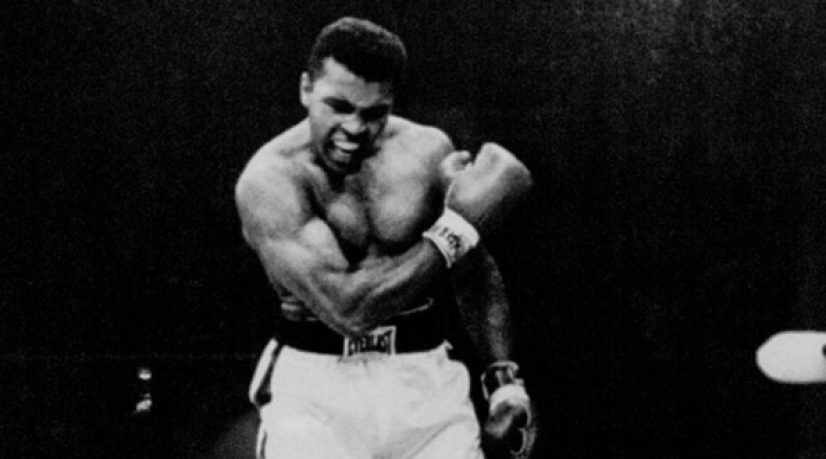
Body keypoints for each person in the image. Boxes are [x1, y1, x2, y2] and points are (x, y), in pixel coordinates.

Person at [236, 17, 534, 458]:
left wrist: (505, 381)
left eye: (374, 113)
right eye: (338, 106)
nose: (355, 128)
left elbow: (472, 273)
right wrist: (459, 226)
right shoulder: (270, 178)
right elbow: (348, 309)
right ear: (305, 89)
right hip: (316, 392)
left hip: (424, 378)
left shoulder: (426, 151)